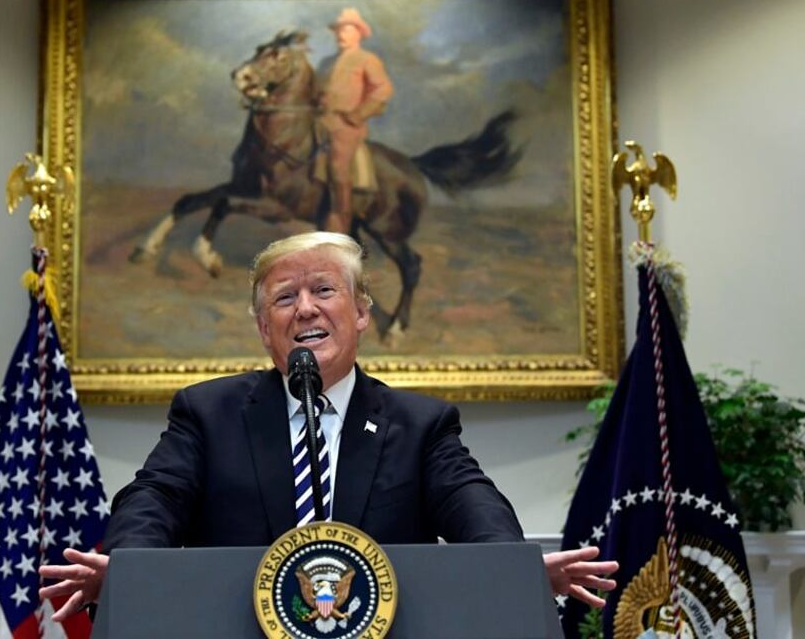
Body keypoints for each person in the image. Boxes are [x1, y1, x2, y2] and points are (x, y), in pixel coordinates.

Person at [40, 232, 616, 620]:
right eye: (284, 297)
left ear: (361, 312)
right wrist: (129, 567)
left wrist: (507, 565)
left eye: (323, 290)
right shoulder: (207, 414)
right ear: (265, 329)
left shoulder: (420, 425)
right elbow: (154, 498)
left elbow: (474, 506)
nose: (305, 309)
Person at [317, 8, 394, 234]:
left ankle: (341, 223)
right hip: (320, 121)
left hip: (346, 126)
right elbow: (317, 91)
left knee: (338, 167)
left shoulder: (367, 59)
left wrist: (358, 115)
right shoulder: (326, 62)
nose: (341, 34)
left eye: (347, 30)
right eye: (339, 30)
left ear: (359, 33)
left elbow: (383, 89)